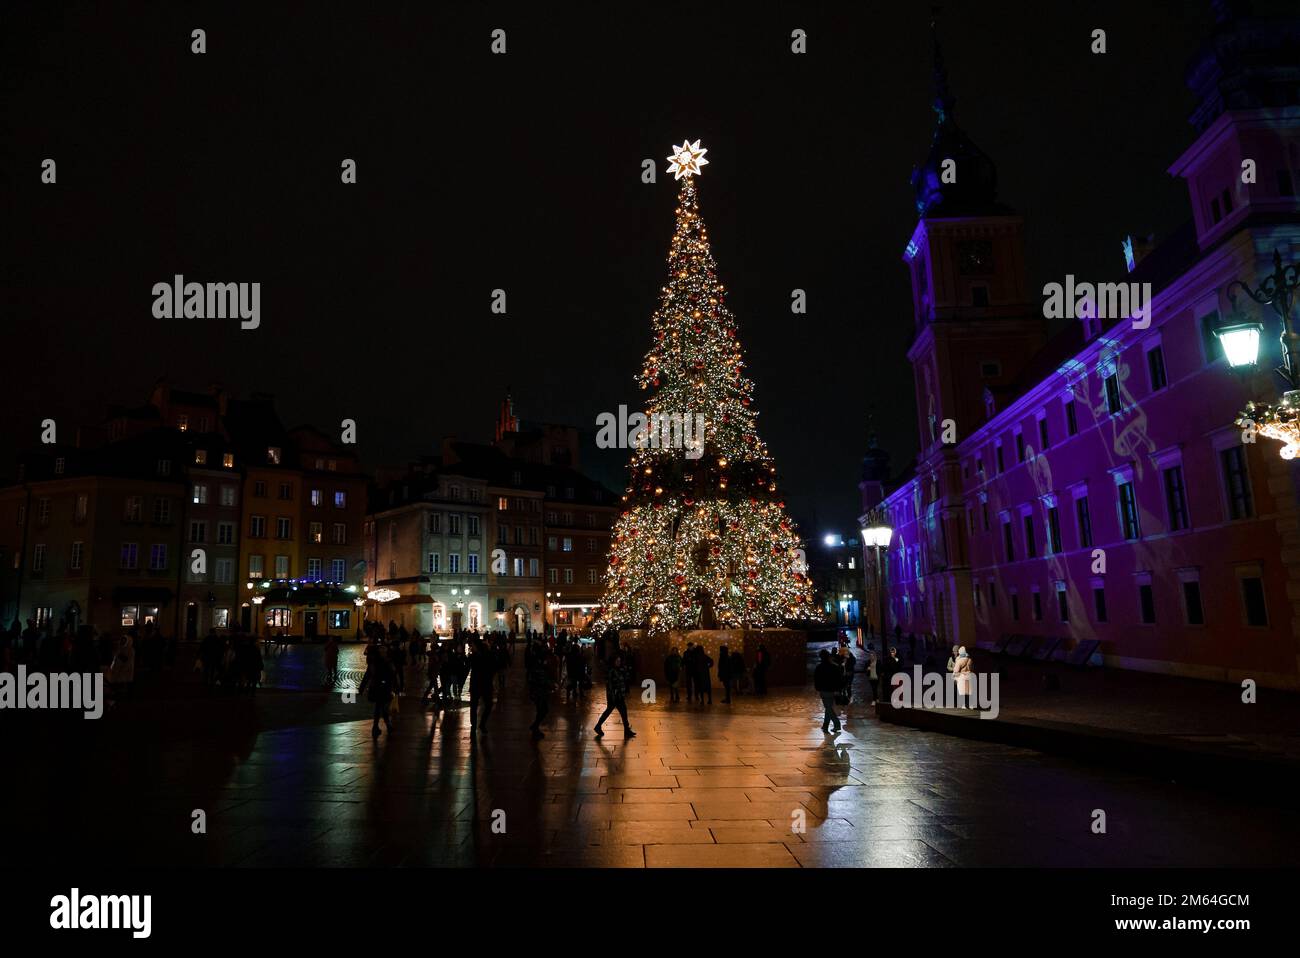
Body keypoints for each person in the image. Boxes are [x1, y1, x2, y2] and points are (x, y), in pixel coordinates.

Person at [594, 652, 635, 738]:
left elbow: (625, 679)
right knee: (614, 711)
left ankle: (626, 730)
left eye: (619, 661)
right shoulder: (611, 671)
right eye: (617, 661)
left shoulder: (619, 669)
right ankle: (598, 726)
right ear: (613, 661)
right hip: (615, 696)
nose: (619, 662)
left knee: (621, 711)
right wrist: (613, 695)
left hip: (619, 695)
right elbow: (609, 685)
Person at [359, 645, 397, 738]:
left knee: (379, 707)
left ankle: (379, 726)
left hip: (377, 687)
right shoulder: (385, 662)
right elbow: (392, 675)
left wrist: (362, 687)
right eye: (383, 651)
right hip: (383, 688)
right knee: (382, 707)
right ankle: (384, 726)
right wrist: (395, 686)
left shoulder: (374, 663)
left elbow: (367, 675)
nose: (385, 652)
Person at [525, 638, 554, 739]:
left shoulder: (536, 660)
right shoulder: (537, 662)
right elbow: (540, 676)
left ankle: (535, 727)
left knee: (542, 709)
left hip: (537, 690)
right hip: (539, 691)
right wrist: (549, 684)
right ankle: (535, 727)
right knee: (543, 709)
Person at [467, 638, 496, 734]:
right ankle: (477, 724)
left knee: (478, 706)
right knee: (482, 705)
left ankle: (477, 724)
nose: (472, 647)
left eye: (473, 646)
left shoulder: (478, 656)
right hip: (482, 684)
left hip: (480, 684)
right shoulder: (476, 656)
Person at [813, 649, 843, 733]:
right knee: (828, 707)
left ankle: (836, 724)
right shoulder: (834, 667)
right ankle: (825, 726)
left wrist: (817, 689)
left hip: (824, 691)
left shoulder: (819, 667)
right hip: (832, 691)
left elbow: (816, 680)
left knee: (828, 707)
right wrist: (838, 689)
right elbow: (839, 679)